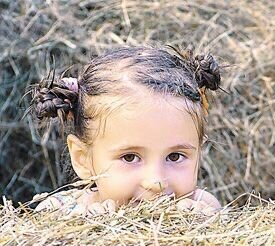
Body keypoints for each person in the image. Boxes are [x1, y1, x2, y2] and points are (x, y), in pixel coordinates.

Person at [29, 45, 222, 215]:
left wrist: (204, 224)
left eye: (175, 156)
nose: (156, 183)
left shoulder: (203, 206)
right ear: (83, 158)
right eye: (130, 157)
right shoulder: (58, 212)